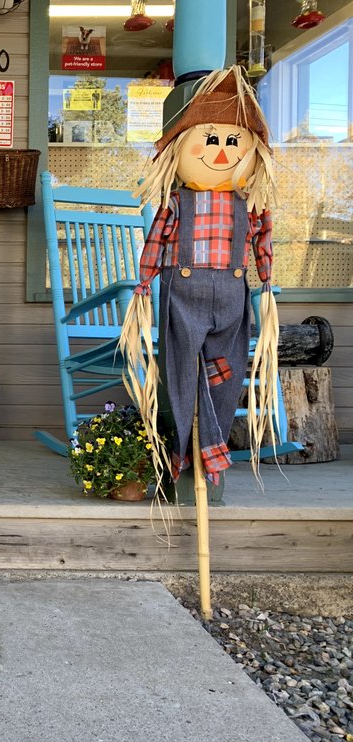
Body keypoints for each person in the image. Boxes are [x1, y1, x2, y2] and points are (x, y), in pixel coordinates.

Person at [119, 65, 279, 491]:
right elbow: (156, 241)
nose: (223, 152)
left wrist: (265, 281)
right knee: (181, 370)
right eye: (210, 140)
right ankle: (184, 448)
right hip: (183, 294)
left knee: (228, 370)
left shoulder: (250, 203)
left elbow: (262, 241)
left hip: (232, 293)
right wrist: (143, 282)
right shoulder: (176, 201)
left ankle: (210, 441)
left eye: (232, 142)